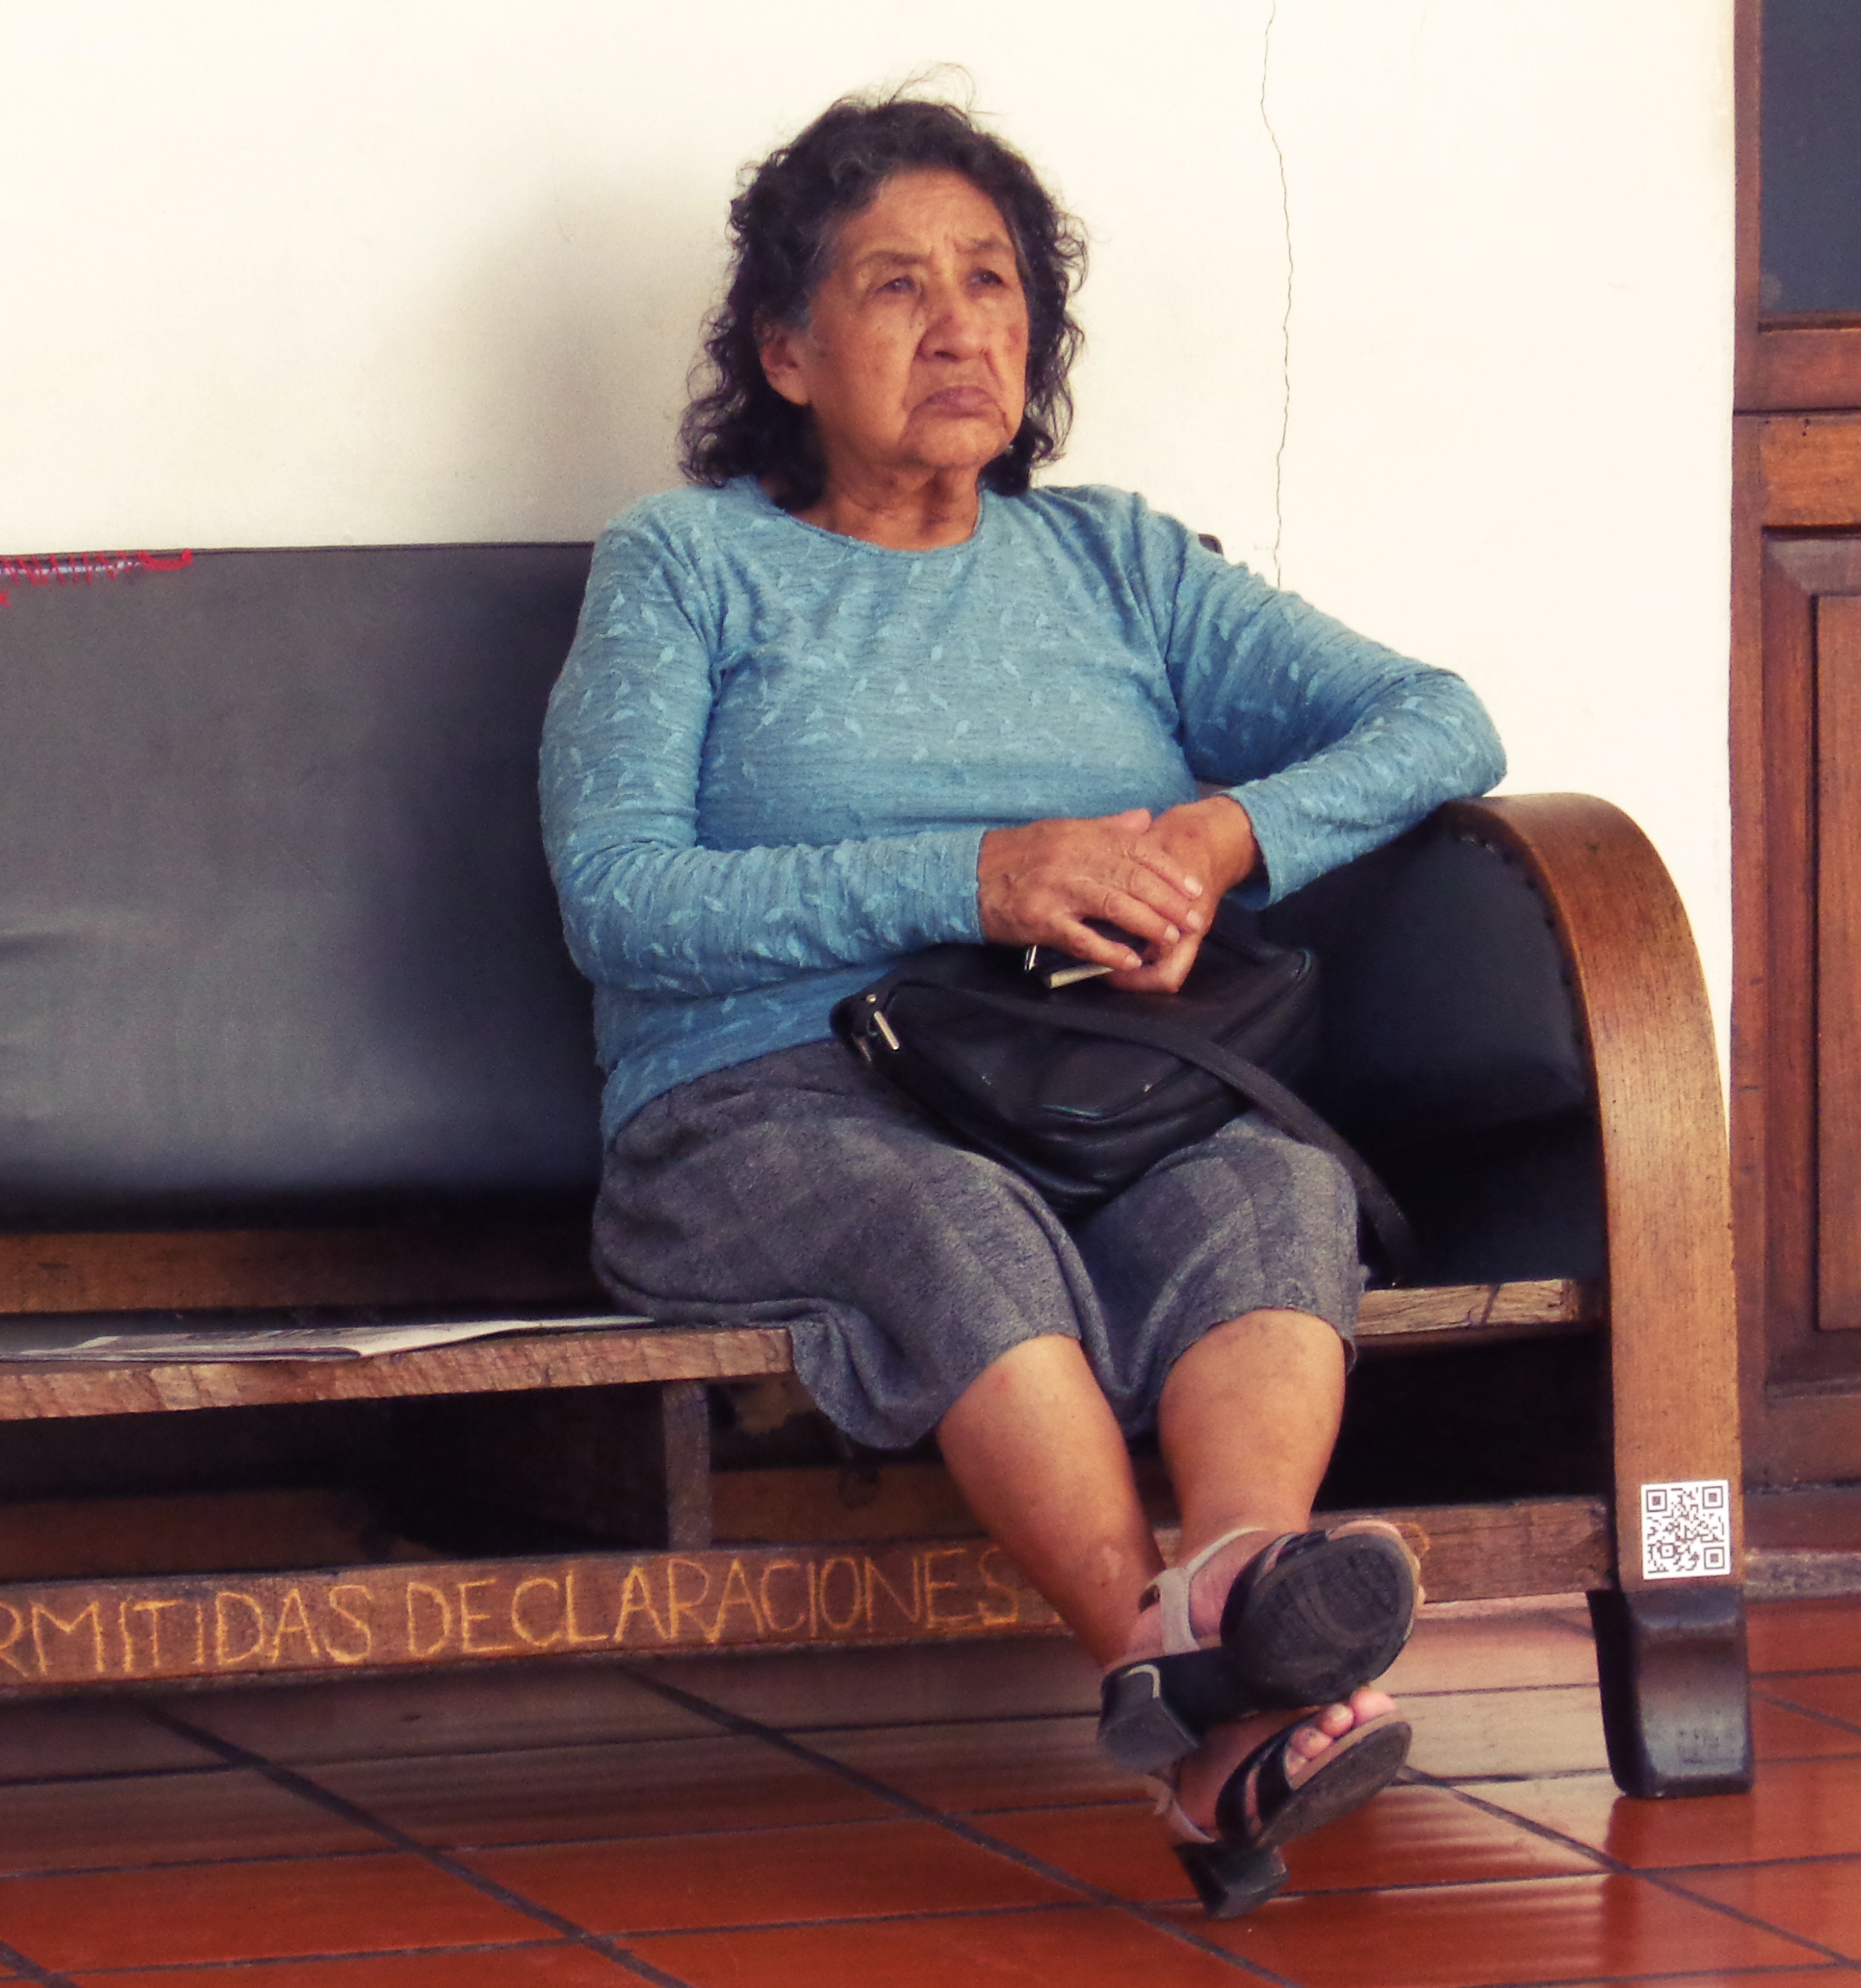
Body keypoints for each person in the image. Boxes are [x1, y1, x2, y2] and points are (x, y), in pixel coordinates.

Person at [538, 91, 1505, 1918]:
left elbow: (1440, 720)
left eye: (993, 282)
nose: (962, 326)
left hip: (1096, 1086)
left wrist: (1222, 836)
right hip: (763, 1103)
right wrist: (978, 875)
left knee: (1271, 1186)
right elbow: (622, 900)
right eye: (897, 285)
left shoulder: (1114, 561)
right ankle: (1206, 1683)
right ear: (786, 352)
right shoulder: (687, 564)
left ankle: (1239, 1609)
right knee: (950, 1219)